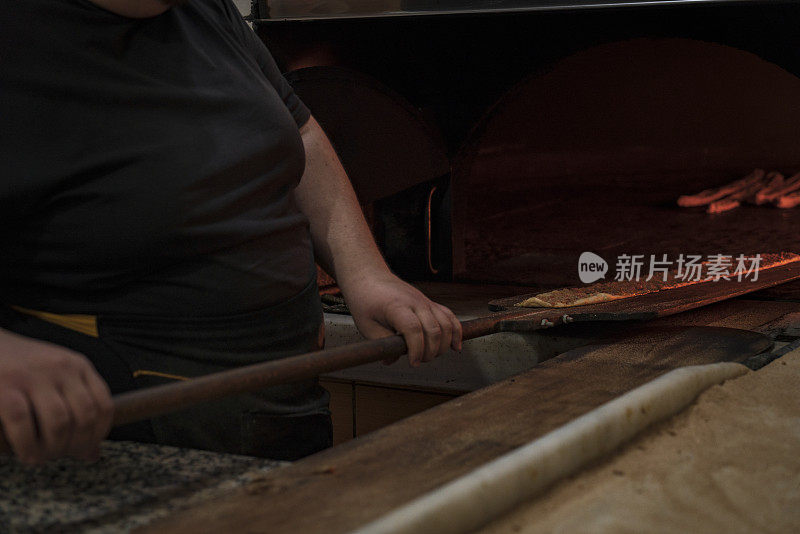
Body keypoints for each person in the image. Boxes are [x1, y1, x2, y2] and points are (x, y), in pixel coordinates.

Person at [0, 0, 462, 464]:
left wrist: (364, 271)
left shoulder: (201, 9)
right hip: (131, 427)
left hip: (278, 404)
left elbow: (298, 131)